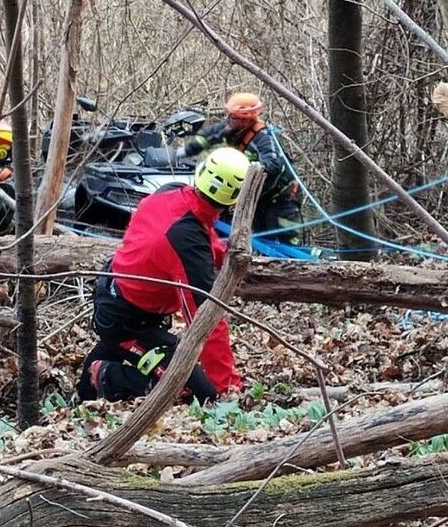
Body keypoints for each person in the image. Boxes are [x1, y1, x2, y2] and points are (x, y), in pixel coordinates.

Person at [78, 147, 249, 403]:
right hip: (126, 321)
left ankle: (110, 356)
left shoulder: (171, 191)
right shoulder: (186, 242)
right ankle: (106, 374)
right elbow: (205, 321)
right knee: (199, 393)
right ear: (236, 198)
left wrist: (223, 255)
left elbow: (197, 226)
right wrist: (226, 388)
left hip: (120, 300)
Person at [176, 91, 303, 246]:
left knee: (285, 241)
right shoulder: (232, 128)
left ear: (246, 120)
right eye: (229, 115)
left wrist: (245, 171)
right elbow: (208, 136)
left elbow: (274, 164)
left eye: (233, 117)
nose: (228, 120)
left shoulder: (264, 138)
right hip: (257, 198)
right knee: (258, 238)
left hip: (281, 198)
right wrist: (185, 151)